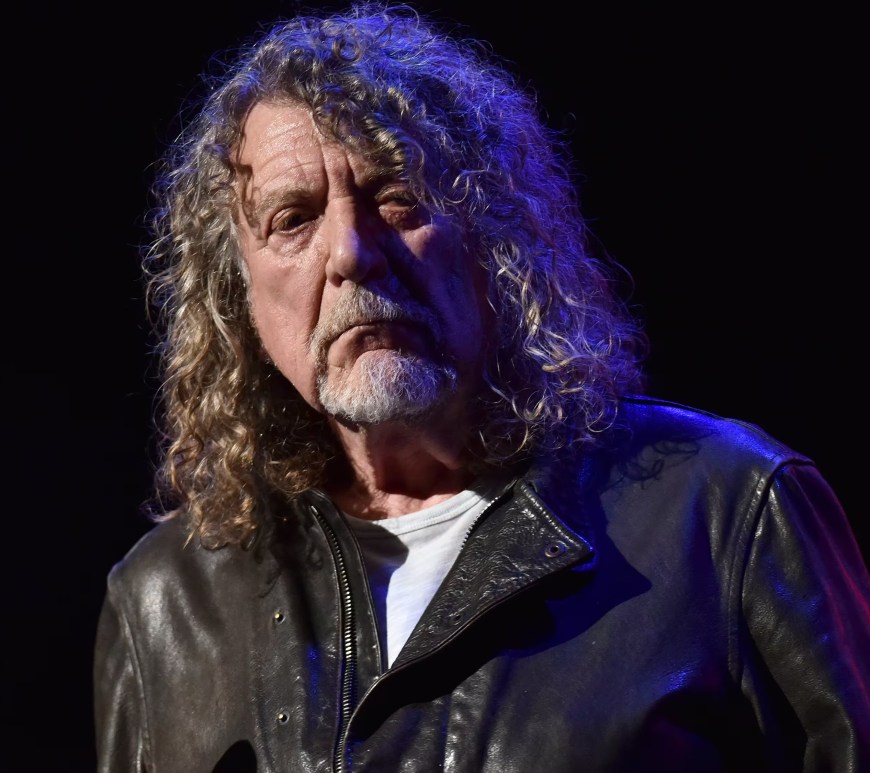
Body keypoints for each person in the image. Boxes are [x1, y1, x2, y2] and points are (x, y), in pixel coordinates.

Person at [93, 3, 870, 771]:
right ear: (239, 298)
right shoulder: (164, 604)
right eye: (293, 219)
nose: (352, 253)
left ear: (495, 235)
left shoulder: (726, 514)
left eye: (398, 196)